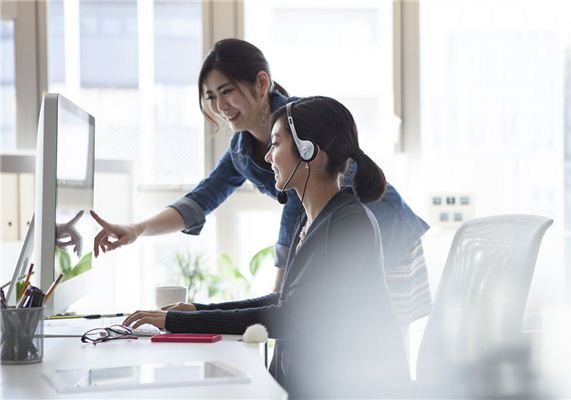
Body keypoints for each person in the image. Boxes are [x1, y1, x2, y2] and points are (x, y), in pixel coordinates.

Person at [91, 38, 431, 326]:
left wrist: (279, 297)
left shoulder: (301, 127)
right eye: (211, 97)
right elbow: (201, 198)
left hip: (385, 237)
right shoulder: (242, 149)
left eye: (228, 91)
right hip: (332, 246)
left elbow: (297, 214)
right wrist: (136, 229)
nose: (220, 105)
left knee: (370, 343)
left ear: (261, 84)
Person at [124, 96, 410, 397]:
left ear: (310, 152)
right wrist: (197, 310)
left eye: (276, 144)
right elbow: (285, 298)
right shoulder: (313, 219)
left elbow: (292, 315)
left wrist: (179, 321)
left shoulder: (348, 224)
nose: (267, 158)